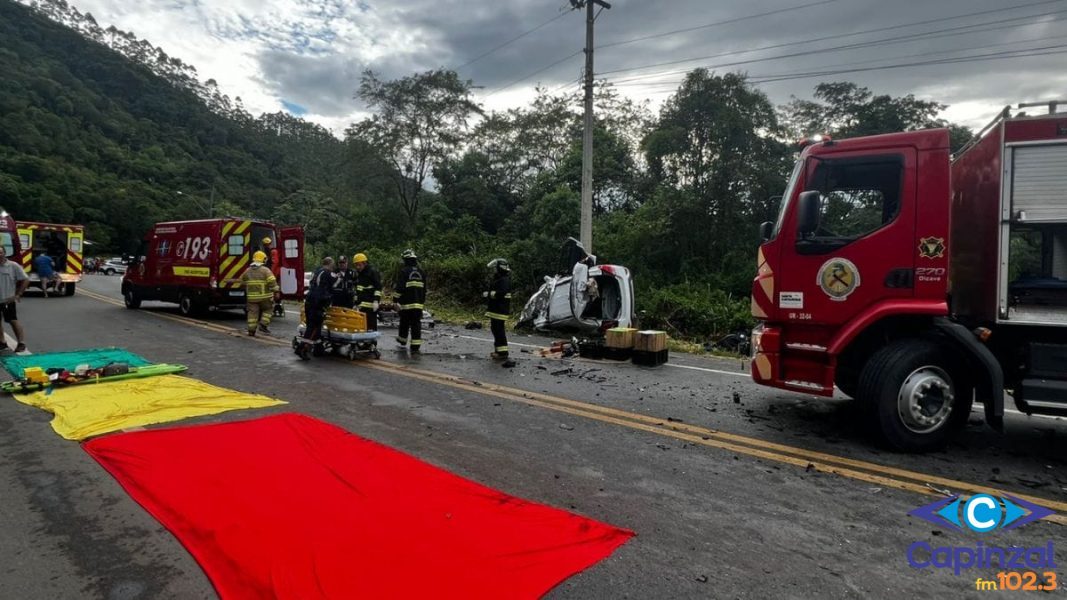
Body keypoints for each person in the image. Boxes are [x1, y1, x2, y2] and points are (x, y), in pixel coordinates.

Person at [298, 257, 336, 358]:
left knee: (316, 327)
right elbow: (335, 284)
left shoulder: (317, 271)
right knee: (314, 327)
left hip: (310, 301)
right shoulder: (328, 273)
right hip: (318, 303)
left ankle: (318, 348)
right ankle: (302, 348)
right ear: (330, 264)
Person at [239, 251, 279, 336]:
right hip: (265, 297)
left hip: (252, 298)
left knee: (252, 313)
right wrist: (276, 291)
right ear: (263, 259)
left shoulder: (248, 270)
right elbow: (272, 282)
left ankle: (251, 330)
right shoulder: (265, 270)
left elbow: (242, 281)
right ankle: (263, 325)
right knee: (268, 309)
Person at [394, 249, 426, 353]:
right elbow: (425, 289)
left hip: (406, 304)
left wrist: (395, 300)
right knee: (416, 324)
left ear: (406, 260)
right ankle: (415, 346)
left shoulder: (404, 271)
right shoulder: (421, 272)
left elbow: (400, 288)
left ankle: (403, 340)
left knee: (404, 322)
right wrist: (421, 302)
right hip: (418, 304)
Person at [0, 245, 29, 353]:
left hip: (8, 299)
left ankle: (21, 343)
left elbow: (25, 279)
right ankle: (2, 342)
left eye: (0, 252)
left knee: (12, 320)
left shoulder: (13, 265)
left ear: (4, 253)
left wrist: (18, 294)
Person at [484, 258, 512, 360]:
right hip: (496, 310)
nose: (494, 271)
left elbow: (501, 293)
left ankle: (503, 353)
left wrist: (490, 294)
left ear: (500, 268)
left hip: (500, 310)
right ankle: (498, 351)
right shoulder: (500, 278)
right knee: (495, 329)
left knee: (499, 331)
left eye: (495, 268)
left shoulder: (504, 280)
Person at [353, 252, 382, 332]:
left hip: (371, 307)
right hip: (361, 307)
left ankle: (372, 344)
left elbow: (378, 288)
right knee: (362, 329)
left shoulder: (372, 273)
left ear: (364, 263)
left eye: (359, 265)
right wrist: (356, 303)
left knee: (371, 329)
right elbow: (358, 290)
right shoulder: (359, 274)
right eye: (356, 265)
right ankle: (365, 344)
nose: (357, 267)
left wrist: (376, 301)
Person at [263, 237, 285, 317]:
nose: (266, 246)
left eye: (267, 245)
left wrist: (270, 273)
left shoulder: (273, 251)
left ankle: (277, 307)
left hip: (275, 273)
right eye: (265, 245)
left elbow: (274, 263)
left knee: (275, 290)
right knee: (274, 290)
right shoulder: (270, 251)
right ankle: (277, 307)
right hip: (273, 273)